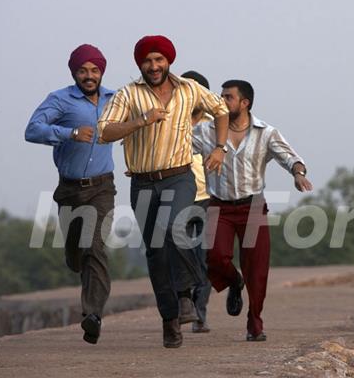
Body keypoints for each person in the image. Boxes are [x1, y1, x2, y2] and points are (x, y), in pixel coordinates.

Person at [97, 35, 229, 348]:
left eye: (159, 60)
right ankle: (170, 321)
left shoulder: (189, 89)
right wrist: (140, 121)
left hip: (180, 177)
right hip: (143, 182)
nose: (153, 66)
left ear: (169, 60)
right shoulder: (128, 95)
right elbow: (104, 131)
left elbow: (221, 109)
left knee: (174, 226)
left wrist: (221, 148)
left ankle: (186, 296)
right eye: (147, 61)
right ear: (139, 64)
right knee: (155, 253)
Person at [193, 79, 313, 342]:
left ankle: (254, 321)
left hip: (253, 207)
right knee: (214, 258)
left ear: (244, 103)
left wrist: (298, 173)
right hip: (219, 206)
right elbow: (177, 151)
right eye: (220, 96)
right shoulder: (205, 132)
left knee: (257, 269)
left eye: (228, 97)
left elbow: (290, 156)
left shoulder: (266, 132)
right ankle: (235, 283)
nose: (221, 102)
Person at [25, 44, 115, 344]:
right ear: (74, 72)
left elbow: (136, 125)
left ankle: (92, 314)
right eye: (83, 70)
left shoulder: (115, 100)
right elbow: (33, 129)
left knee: (96, 247)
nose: (89, 76)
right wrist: (70, 133)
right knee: (77, 254)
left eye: (94, 70)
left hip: (103, 187)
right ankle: (71, 254)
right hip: (70, 189)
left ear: (101, 71)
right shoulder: (60, 100)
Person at [180, 70, 214, 333]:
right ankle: (182, 306)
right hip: (176, 198)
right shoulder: (169, 121)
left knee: (205, 258)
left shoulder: (217, 124)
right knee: (179, 255)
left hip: (208, 199)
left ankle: (199, 313)